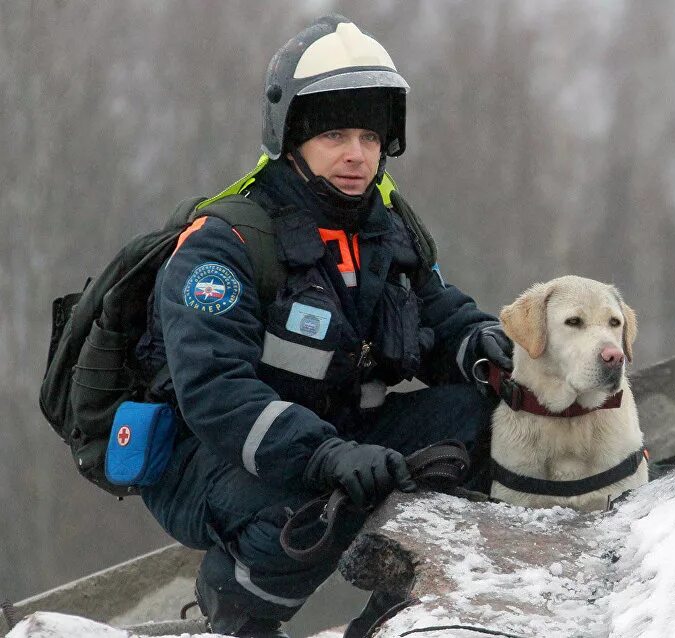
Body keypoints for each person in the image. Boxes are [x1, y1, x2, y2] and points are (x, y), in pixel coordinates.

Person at [136, 15, 513, 638]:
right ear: (290, 137)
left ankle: (406, 611)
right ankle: (240, 607)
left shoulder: (390, 227)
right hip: (206, 459)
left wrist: (485, 347)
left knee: (489, 422)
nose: (355, 154)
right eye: (335, 133)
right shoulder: (225, 244)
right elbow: (215, 393)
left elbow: (440, 313)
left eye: (370, 135)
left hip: (343, 435)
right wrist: (324, 455)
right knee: (315, 502)